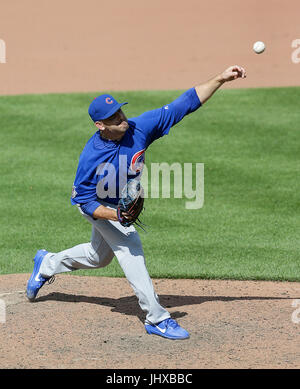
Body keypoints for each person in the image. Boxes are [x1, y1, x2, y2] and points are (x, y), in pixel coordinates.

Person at [26, 65, 246, 340]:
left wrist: (220, 79)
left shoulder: (139, 127)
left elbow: (185, 103)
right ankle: (156, 318)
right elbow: (82, 200)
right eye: (112, 117)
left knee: (98, 257)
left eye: (119, 111)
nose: (121, 118)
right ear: (100, 125)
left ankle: (46, 263)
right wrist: (116, 215)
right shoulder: (91, 157)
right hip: (99, 207)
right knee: (130, 247)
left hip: (119, 205)